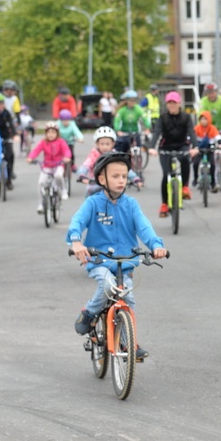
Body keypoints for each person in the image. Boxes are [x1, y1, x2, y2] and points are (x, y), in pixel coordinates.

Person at [67, 152, 167, 360]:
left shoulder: (131, 204)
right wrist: (76, 242)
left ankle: (127, 341)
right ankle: (90, 313)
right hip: (99, 261)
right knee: (107, 285)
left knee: (128, 297)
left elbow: (144, 227)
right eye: (115, 176)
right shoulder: (93, 203)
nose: (121, 180)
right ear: (102, 179)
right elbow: (77, 221)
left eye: (124, 176)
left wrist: (156, 245)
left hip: (125, 263)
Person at [147, 91, 198, 217]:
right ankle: (164, 204)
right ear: (166, 104)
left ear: (179, 103)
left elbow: (191, 132)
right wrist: (151, 147)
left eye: (174, 103)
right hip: (166, 147)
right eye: (169, 103)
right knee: (166, 175)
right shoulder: (162, 118)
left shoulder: (186, 117)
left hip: (182, 145)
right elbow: (156, 133)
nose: (172, 105)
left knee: (185, 160)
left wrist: (195, 147)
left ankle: (185, 186)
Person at [76, 126, 143, 195]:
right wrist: (82, 175)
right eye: (102, 144)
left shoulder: (115, 155)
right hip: (95, 183)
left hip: (112, 184)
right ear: (97, 144)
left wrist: (135, 178)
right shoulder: (93, 155)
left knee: (121, 197)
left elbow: (124, 169)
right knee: (90, 192)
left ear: (113, 144)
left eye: (107, 144)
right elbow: (86, 165)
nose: (105, 147)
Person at [27, 122, 72, 211]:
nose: (51, 134)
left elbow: (66, 150)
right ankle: (40, 204)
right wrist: (30, 157)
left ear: (57, 133)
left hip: (58, 164)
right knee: (40, 183)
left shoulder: (61, 142)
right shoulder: (43, 142)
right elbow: (36, 150)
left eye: (53, 132)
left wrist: (67, 157)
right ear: (46, 133)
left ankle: (63, 190)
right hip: (46, 166)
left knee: (58, 176)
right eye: (49, 132)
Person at [191, 110, 221, 186]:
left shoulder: (212, 128)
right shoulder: (197, 128)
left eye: (205, 119)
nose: (203, 121)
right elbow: (191, 137)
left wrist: (220, 144)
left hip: (210, 149)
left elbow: (218, 137)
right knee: (195, 163)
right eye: (201, 119)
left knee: (212, 164)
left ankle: (213, 182)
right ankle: (195, 178)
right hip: (199, 149)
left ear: (209, 119)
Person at [0, 94, 17, 190]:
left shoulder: (6, 113)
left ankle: (9, 179)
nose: (0, 106)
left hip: (5, 137)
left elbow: (11, 124)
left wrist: (15, 134)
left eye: (2, 103)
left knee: (10, 155)